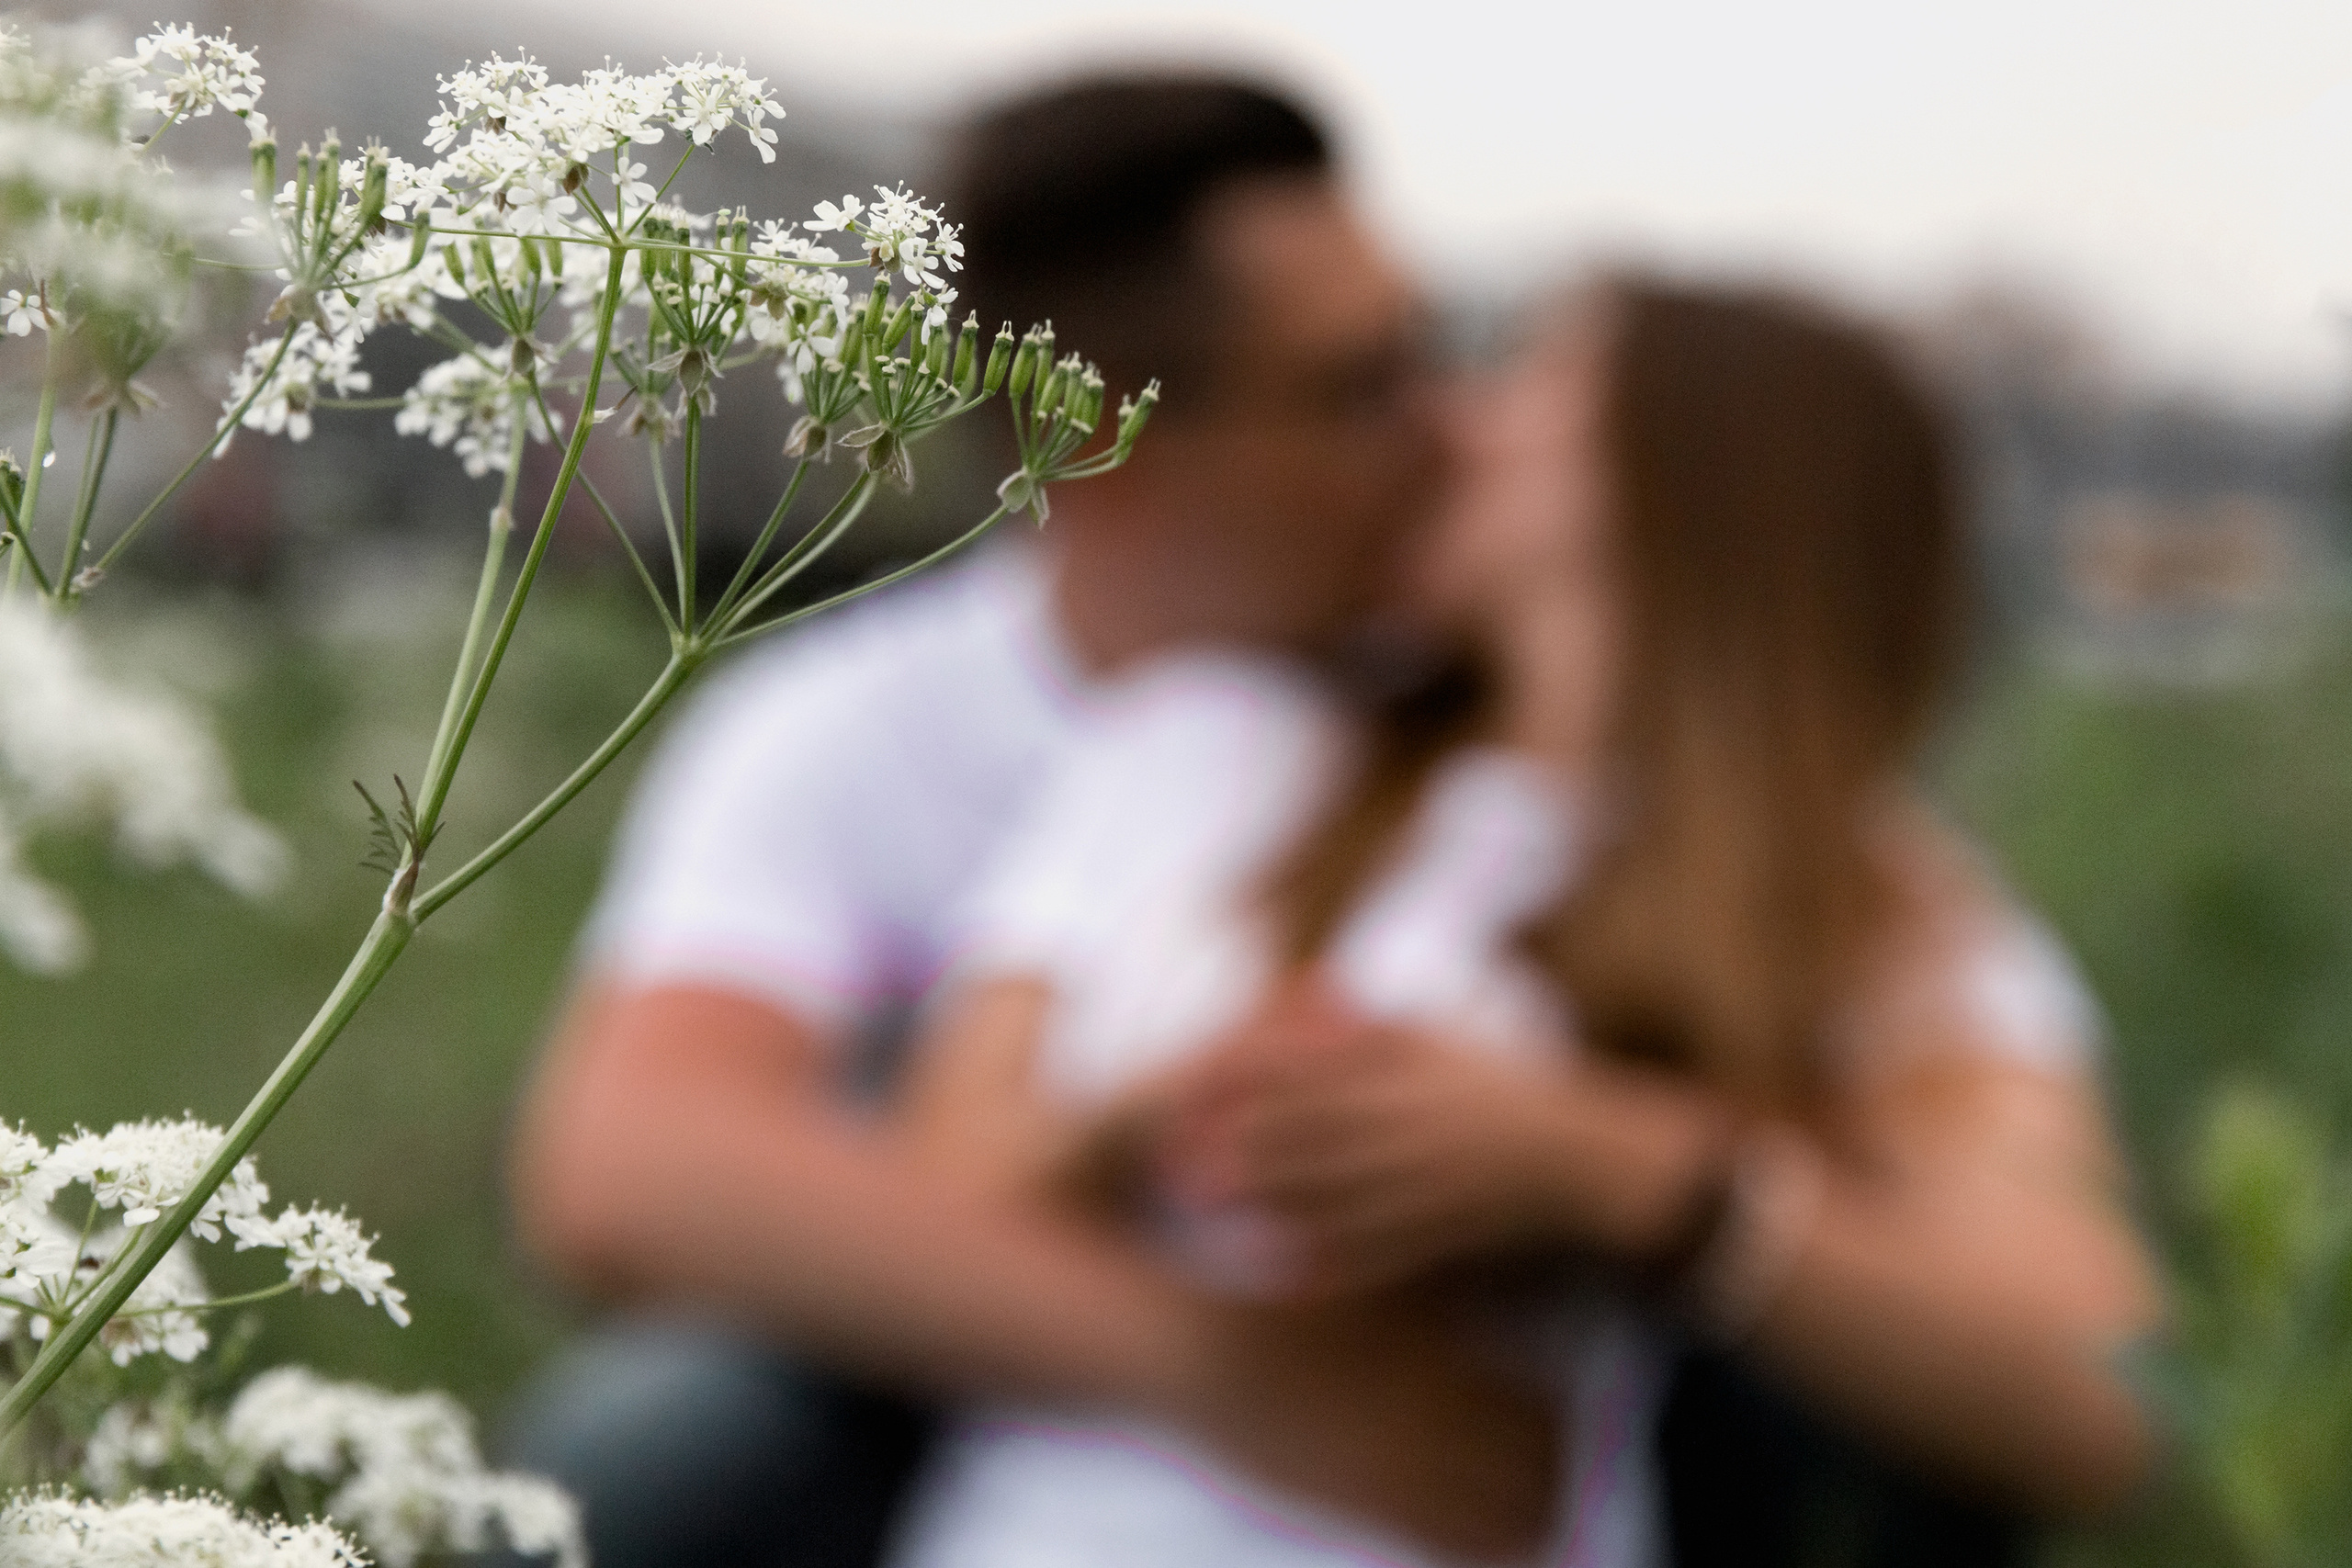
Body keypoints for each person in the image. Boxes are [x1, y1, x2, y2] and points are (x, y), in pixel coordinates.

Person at [875, 279, 2163, 1565]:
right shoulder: (1210, 747)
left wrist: (1628, 1179)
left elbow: (2098, 1390)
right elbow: (927, 1200)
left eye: (1528, 384)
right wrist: (1163, 1126)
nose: (1453, 422)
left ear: (1675, 476)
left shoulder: (1881, 918)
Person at [505, 73, 1545, 1568]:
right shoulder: (855, 722)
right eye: (1360, 389)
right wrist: (1224, 1371)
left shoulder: (1493, 699)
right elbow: (627, 1166)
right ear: (1109, 440)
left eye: (1435, 357)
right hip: (1028, 1444)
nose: (1449, 433)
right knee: (663, 1441)